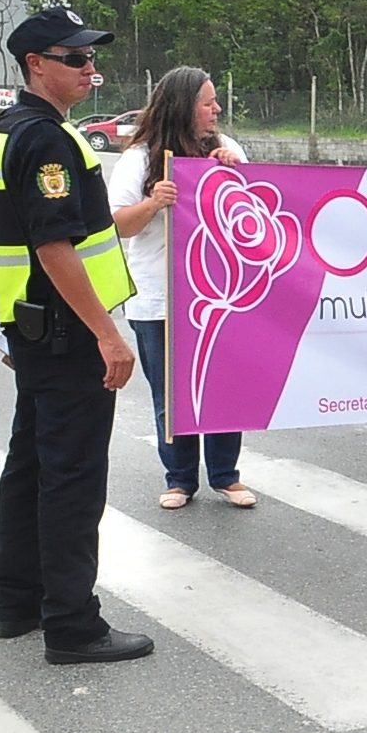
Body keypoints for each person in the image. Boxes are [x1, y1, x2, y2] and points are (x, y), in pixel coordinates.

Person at [0, 6, 155, 666]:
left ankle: (19, 601)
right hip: (67, 334)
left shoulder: (14, 129)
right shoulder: (47, 139)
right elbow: (54, 248)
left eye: (90, 57)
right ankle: (73, 624)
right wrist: (108, 336)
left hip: (35, 329)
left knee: (30, 465)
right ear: (36, 65)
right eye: (75, 59)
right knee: (72, 480)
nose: (92, 69)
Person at [108, 66, 255, 509]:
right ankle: (179, 478)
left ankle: (226, 476)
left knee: (224, 386)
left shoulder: (227, 148)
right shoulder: (140, 157)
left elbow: (258, 209)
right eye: (207, 102)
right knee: (170, 393)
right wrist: (155, 202)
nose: (217, 110)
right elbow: (117, 223)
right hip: (159, 297)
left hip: (218, 294)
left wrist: (232, 174)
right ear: (182, 106)